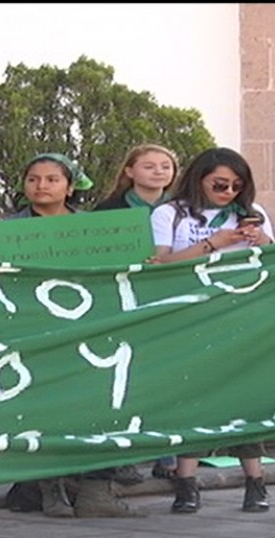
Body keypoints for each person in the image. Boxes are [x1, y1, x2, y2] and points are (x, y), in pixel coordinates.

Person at [5, 152, 146, 519]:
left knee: (99, 404)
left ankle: (97, 489)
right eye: (34, 179)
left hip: (91, 329)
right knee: (44, 407)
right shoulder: (5, 231)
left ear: (70, 185)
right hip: (35, 331)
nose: (42, 186)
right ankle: (50, 487)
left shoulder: (95, 229)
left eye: (52, 179)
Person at [150, 146, 275, 514]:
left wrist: (263, 242)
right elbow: (161, 263)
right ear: (199, 178)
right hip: (189, 312)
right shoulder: (170, 213)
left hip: (241, 311)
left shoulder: (253, 213)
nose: (228, 193)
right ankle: (186, 482)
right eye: (220, 185)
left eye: (237, 186)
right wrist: (211, 245)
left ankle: (255, 481)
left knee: (244, 396)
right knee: (194, 394)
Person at [96, 143, 180, 480]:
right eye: (149, 166)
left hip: (169, 298)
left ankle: (167, 454)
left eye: (165, 166)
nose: (158, 172)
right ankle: (124, 453)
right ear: (129, 171)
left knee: (169, 374)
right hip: (123, 299)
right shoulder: (109, 210)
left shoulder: (181, 210)